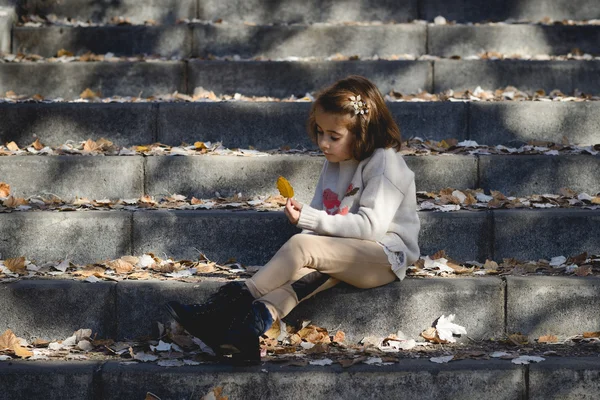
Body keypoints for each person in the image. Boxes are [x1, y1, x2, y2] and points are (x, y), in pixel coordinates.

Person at [165, 75, 420, 364]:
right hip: (348, 250)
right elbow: (320, 219)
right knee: (305, 275)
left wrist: (310, 220)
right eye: (320, 132)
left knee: (302, 247)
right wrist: (305, 217)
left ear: (363, 132)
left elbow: (371, 228)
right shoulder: (334, 162)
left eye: (334, 136)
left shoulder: (385, 162)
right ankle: (244, 332)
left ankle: (225, 306)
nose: (323, 143)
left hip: (386, 255)